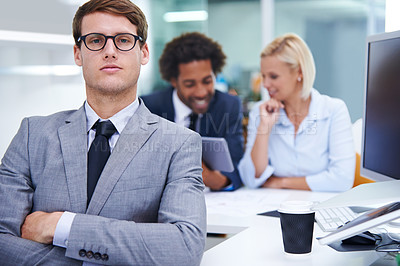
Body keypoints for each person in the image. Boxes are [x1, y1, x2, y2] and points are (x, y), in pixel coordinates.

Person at [0, 0, 206, 265]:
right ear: (78, 53)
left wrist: (62, 226)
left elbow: (184, 247)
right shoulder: (32, 134)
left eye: (123, 40)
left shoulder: (180, 143)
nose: (110, 51)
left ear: (143, 52)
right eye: (96, 40)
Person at [238, 33, 355, 192]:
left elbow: (342, 179)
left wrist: (281, 182)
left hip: (321, 208)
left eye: (273, 76)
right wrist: (263, 129)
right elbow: (250, 178)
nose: (265, 84)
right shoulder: (261, 113)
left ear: (299, 72)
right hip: (273, 206)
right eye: (263, 76)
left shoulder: (334, 110)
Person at [142, 32, 244, 191]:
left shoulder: (228, 106)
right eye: (190, 84)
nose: (201, 92)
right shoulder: (148, 107)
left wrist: (209, 176)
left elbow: (236, 171)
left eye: (207, 81)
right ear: (174, 81)